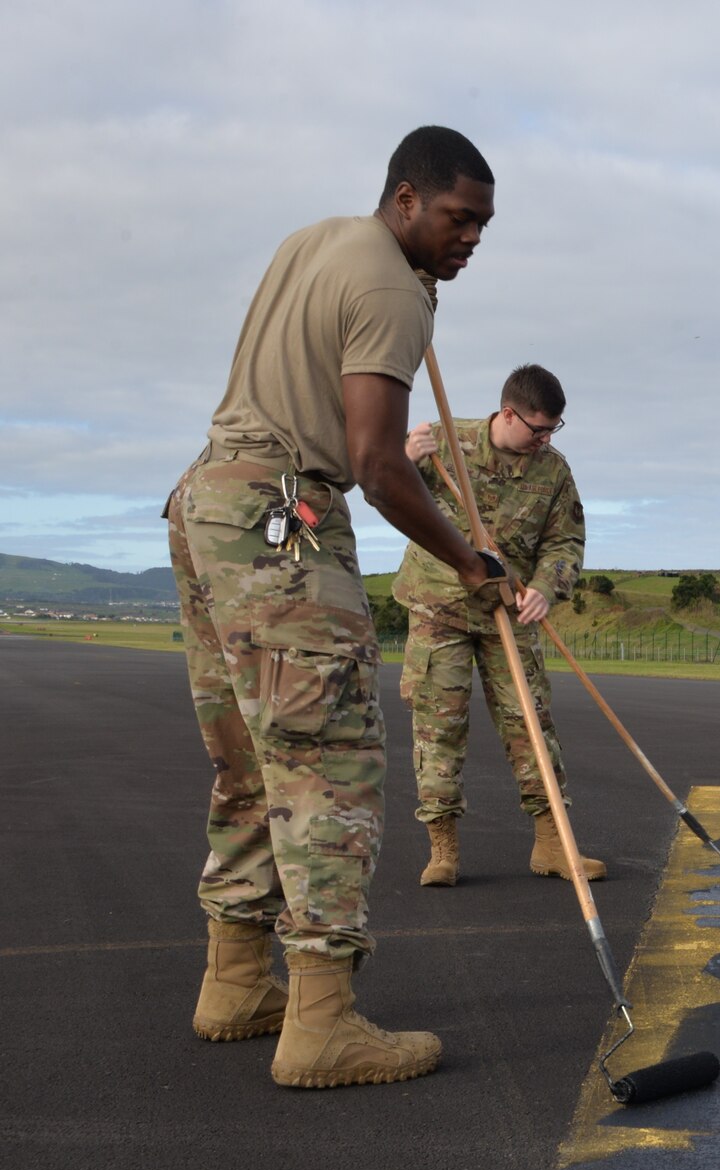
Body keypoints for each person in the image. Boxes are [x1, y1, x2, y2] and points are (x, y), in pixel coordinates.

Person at [165, 126, 509, 1089]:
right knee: (329, 766)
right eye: (457, 218)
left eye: (483, 225)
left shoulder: (317, 239)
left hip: (205, 501)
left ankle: (234, 985)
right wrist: (470, 562)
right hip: (284, 516)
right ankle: (322, 1022)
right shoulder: (393, 289)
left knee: (248, 757)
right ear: (407, 198)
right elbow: (379, 465)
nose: (471, 238)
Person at [392, 364, 603, 886]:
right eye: (538, 429)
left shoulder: (553, 471)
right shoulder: (442, 442)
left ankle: (553, 844)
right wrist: (404, 462)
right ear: (508, 414)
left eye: (554, 429)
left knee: (530, 726)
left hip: (509, 610)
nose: (546, 439)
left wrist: (547, 589)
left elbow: (566, 542)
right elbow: (389, 496)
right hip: (439, 607)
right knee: (438, 730)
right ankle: (442, 850)